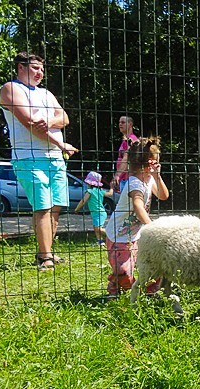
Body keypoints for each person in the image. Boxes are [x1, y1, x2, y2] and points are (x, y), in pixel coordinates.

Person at [0, 52, 78, 270]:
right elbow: (30, 125)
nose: (40, 73)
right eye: (35, 68)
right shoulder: (11, 89)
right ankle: (45, 258)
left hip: (55, 159)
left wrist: (48, 120)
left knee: (55, 206)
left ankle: (46, 252)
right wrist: (61, 143)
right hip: (29, 157)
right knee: (42, 206)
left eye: (42, 69)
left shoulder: (46, 93)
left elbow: (65, 117)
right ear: (20, 68)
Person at [105, 137, 169, 295]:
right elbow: (138, 206)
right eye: (155, 162)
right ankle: (114, 291)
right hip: (118, 236)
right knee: (123, 272)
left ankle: (149, 291)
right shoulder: (134, 183)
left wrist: (157, 176)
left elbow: (163, 196)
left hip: (136, 235)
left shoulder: (148, 180)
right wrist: (151, 226)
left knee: (150, 264)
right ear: (146, 164)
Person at [74, 171, 114, 246]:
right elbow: (110, 193)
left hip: (99, 212)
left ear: (89, 183)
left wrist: (77, 209)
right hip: (97, 212)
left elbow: (83, 201)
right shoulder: (100, 191)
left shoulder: (89, 192)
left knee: (98, 228)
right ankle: (100, 241)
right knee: (96, 227)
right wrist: (112, 187)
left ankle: (112, 237)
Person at [111, 115, 139, 193]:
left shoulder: (131, 140)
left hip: (127, 179)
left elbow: (126, 159)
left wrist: (116, 176)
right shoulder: (126, 140)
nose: (120, 124)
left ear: (130, 124)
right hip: (124, 179)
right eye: (119, 122)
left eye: (123, 122)